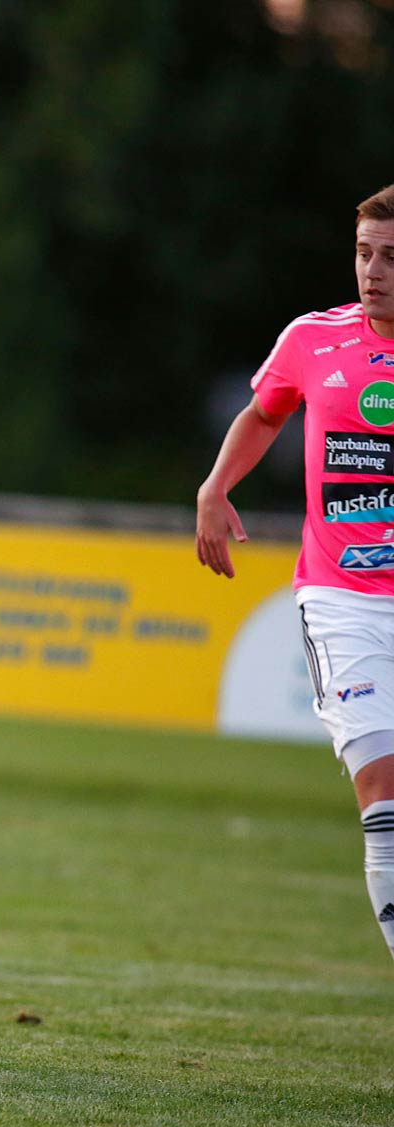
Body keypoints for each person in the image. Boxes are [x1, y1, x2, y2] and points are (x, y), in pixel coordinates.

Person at [196, 181, 394, 963]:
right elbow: (265, 412)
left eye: (391, 258)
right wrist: (216, 489)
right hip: (343, 599)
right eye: (363, 254)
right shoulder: (314, 340)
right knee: (382, 791)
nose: (372, 272)